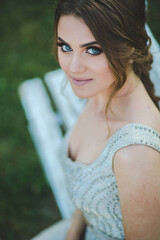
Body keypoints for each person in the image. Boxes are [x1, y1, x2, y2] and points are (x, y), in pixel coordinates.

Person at [33, 0, 160, 239]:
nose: (73, 67)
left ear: (129, 48)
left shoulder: (135, 153)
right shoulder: (101, 91)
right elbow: (89, 190)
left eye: (93, 50)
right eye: (65, 46)